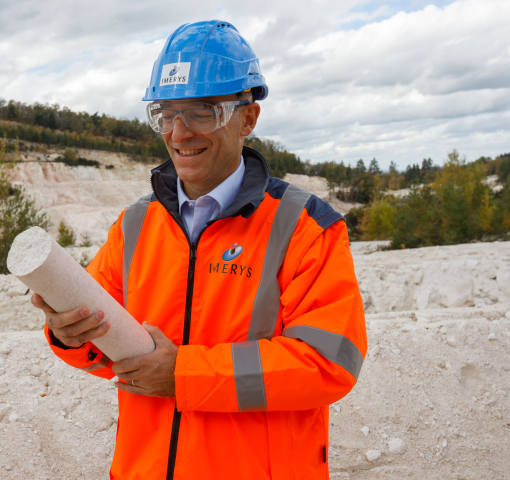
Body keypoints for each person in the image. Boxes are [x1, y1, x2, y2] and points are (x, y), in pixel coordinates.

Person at [32, 20, 367, 480]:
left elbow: (328, 364)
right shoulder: (134, 226)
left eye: (201, 112)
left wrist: (186, 376)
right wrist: (67, 334)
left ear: (248, 117)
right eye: (165, 114)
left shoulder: (305, 227)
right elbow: (103, 350)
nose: (178, 133)